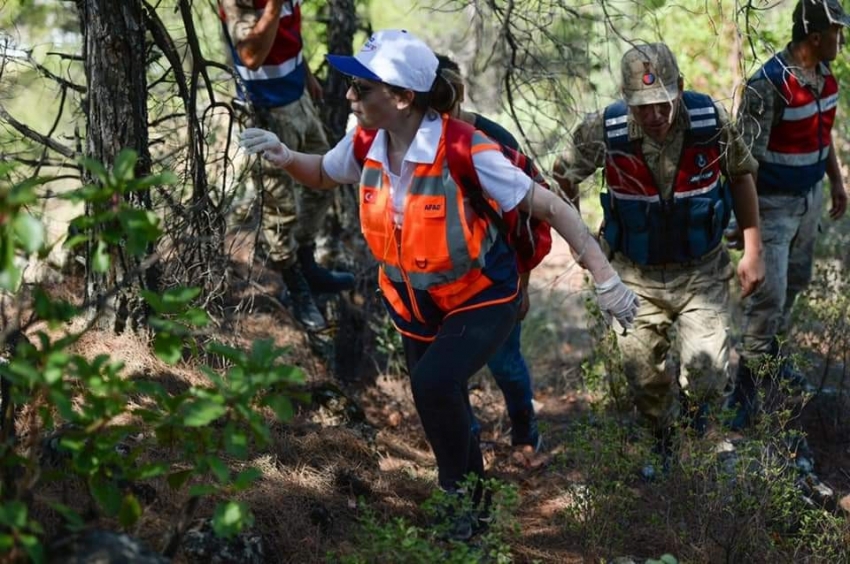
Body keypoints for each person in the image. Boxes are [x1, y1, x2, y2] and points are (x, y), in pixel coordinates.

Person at [239, 29, 639, 539]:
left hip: (482, 296)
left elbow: (553, 206)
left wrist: (606, 279)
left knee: (433, 384)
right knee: (439, 399)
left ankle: (457, 503)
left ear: (403, 97)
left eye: (362, 88)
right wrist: (285, 155)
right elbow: (323, 172)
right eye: (352, 86)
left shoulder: (465, 148)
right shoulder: (366, 140)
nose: (349, 95)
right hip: (415, 302)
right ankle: (477, 506)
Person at [553, 42, 765, 476]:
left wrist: (754, 248)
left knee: (707, 376)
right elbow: (562, 176)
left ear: (680, 89)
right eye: (642, 106)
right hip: (633, 275)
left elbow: (742, 176)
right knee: (644, 376)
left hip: (702, 271)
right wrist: (583, 244)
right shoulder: (605, 129)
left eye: (662, 103)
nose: (653, 115)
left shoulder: (710, 121)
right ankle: (662, 444)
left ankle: (696, 430)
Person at [730, 0, 849, 430]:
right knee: (767, 299)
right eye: (837, 32)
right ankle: (741, 396)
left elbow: (822, 129)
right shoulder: (769, 86)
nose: (842, 38)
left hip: (809, 197)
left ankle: (772, 360)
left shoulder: (823, 76)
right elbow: (744, 165)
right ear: (815, 37)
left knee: (795, 283)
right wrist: (751, 239)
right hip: (774, 205)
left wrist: (835, 180)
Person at [219, 0, 354, 332]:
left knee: (326, 177)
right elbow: (251, 56)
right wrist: (273, 7)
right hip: (267, 113)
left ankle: (307, 263)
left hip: (299, 100)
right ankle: (295, 284)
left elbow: (289, 35)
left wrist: (306, 77)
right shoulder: (240, 4)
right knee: (280, 207)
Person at [434, 54, 545, 453]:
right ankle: (466, 448)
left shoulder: (494, 141)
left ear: (457, 94)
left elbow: (528, 219)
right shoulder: (408, 138)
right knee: (443, 372)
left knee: (505, 363)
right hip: (435, 281)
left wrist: (523, 285)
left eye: (443, 101)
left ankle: (524, 431)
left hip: (494, 279)